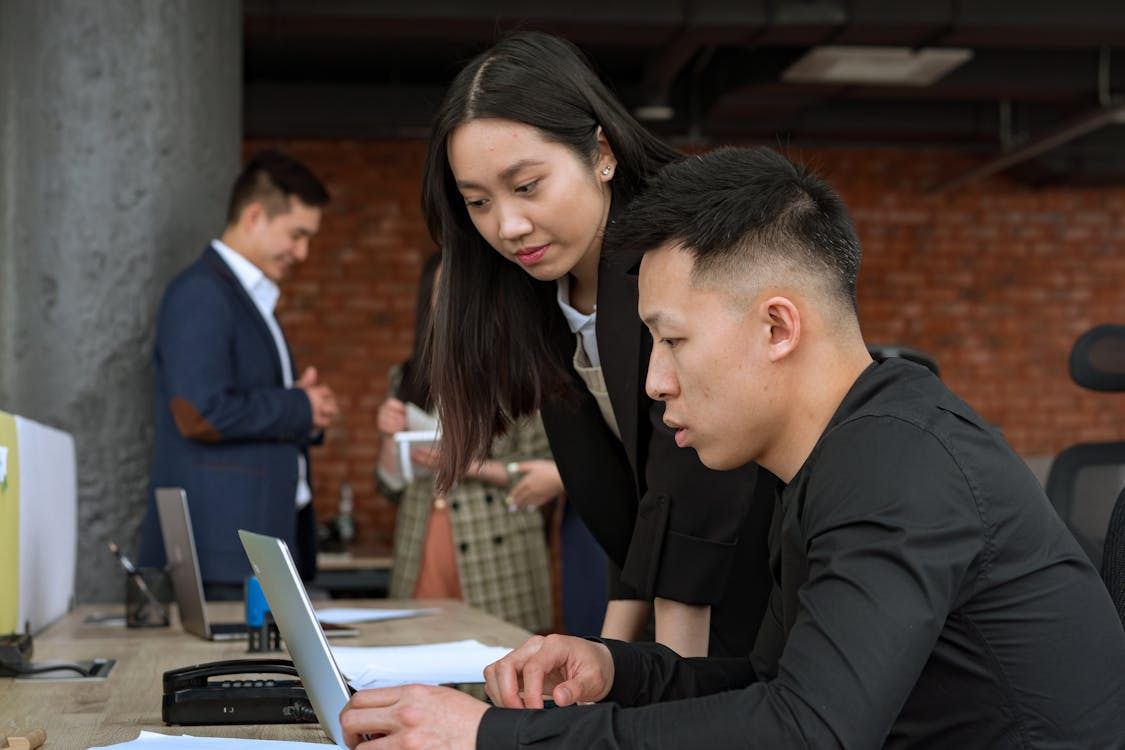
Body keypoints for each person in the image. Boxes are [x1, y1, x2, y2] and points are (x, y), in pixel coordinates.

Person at [338, 146, 1125, 749]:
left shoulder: (897, 467)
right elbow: (770, 683)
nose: (654, 382)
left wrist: (490, 736)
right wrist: (615, 668)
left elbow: (806, 731)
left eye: (673, 340)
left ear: (777, 326)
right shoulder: (838, 454)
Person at [419, 30, 777, 658]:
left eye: (527, 186)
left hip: (776, 583)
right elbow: (636, 506)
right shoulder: (541, 296)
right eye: (478, 201)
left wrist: (659, 678)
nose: (507, 225)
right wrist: (612, 662)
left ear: (602, 153)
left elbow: (695, 486)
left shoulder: (686, 254)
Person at [137, 149, 339, 600]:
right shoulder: (201, 293)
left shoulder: (245, 297)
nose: (303, 252)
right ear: (254, 216)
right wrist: (298, 406)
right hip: (223, 552)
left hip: (254, 547)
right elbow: (199, 412)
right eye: (297, 235)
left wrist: (304, 409)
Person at [375, 251, 559, 633]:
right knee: (419, 656)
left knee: (500, 664)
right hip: (420, 542)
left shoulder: (520, 374)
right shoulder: (406, 377)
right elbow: (390, 486)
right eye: (444, 289)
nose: (454, 299)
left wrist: (467, 465)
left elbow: (548, 473)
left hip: (499, 553)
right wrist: (390, 439)